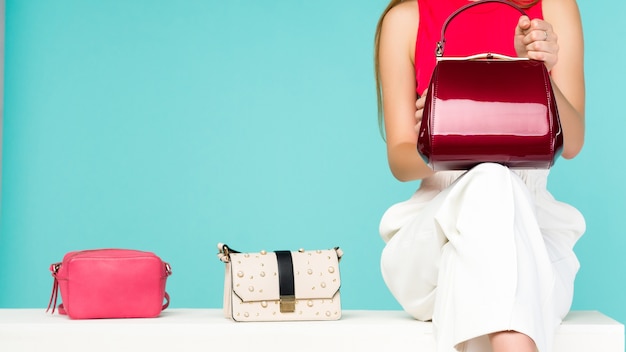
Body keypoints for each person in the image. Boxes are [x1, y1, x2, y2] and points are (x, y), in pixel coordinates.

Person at [374, 0, 585, 351]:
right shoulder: (406, 20)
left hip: (532, 234)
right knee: (490, 179)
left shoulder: (554, 7)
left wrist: (536, 71)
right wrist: (446, 121)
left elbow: (573, 141)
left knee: (494, 182)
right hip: (433, 247)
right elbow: (400, 159)